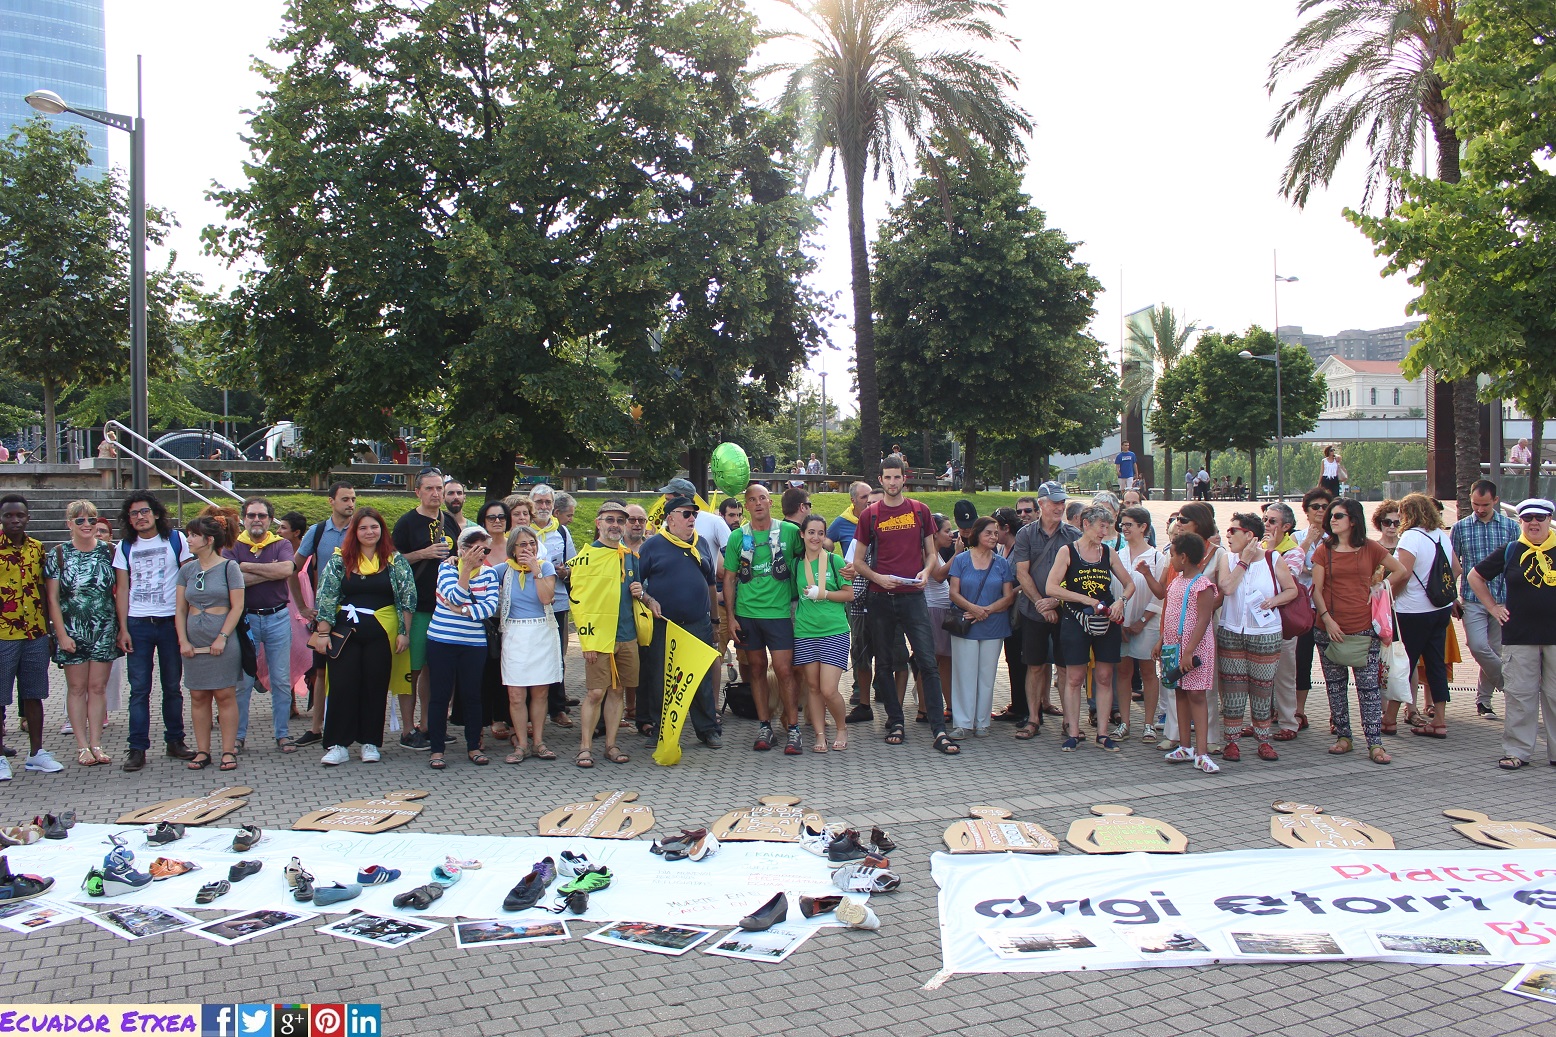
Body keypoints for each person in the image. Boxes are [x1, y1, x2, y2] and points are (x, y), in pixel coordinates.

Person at [852, 458, 955, 754]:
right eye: (888, 477)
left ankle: (939, 729)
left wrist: (926, 571)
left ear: (904, 479)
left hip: (913, 597)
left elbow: (931, 553)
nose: (893, 482)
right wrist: (878, 578)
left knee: (927, 661)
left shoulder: (920, 510)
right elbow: (858, 561)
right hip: (880, 597)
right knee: (884, 664)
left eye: (897, 477)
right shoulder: (870, 515)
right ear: (880, 480)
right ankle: (895, 722)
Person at [307, 507, 416, 765]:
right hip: (345, 634)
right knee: (343, 685)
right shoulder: (340, 560)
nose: (369, 532)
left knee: (375, 686)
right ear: (354, 532)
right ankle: (338, 744)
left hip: (382, 633)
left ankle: (370, 742)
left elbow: (407, 598)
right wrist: (323, 633)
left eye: (374, 527)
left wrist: (404, 633)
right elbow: (326, 596)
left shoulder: (395, 561)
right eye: (363, 528)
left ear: (382, 530)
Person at [1311, 497, 1405, 763]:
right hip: (1329, 629)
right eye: (1331, 516)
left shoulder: (1370, 547)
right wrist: (1327, 619)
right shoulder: (1324, 550)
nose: (1332, 519)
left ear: (1352, 520)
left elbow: (1400, 570)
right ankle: (1344, 737)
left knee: (1368, 688)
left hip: (1364, 627)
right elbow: (1316, 590)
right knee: (1335, 687)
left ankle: (1375, 743)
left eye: (1338, 515)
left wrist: (1380, 587)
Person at [1467, 497, 1556, 770]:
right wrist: (1493, 607)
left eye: (1539, 518)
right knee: (1519, 696)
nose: (1533, 523)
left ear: (1549, 520)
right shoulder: (1511, 550)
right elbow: (1474, 576)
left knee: (1555, 695)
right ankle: (1517, 751)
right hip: (1519, 636)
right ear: (1520, 521)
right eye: (1527, 518)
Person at [114, 492, 197, 770]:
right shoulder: (125, 546)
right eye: (134, 513)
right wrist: (123, 628)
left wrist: (188, 621)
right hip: (138, 623)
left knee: (172, 686)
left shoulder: (176, 539)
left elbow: (188, 579)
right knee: (139, 689)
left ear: (156, 513)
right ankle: (137, 748)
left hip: (170, 622)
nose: (140, 517)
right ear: (128, 519)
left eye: (144, 511)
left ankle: (175, 741)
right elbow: (122, 589)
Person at [1046, 504, 1135, 753]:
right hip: (1075, 619)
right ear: (1086, 524)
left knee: (1104, 676)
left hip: (1105, 620)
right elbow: (1051, 587)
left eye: (1107, 527)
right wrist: (1085, 600)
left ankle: (1103, 733)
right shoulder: (1067, 551)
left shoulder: (1108, 552)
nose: (1104, 532)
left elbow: (1129, 584)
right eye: (1101, 526)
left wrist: (1120, 602)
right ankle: (1073, 732)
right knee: (1074, 677)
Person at [724, 483, 803, 753]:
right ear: (746, 506)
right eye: (752, 500)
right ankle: (764, 726)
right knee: (756, 669)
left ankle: (793, 728)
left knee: (784, 670)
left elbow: (812, 552)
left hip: (779, 613)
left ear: (771, 502)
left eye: (762, 498)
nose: (758, 503)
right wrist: (731, 617)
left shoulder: (789, 531)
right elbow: (730, 578)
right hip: (747, 613)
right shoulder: (738, 537)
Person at [638, 494, 722, 748]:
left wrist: (715, 621)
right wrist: (648, 599)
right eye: (686, 514)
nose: (692, 518)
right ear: (670, 518)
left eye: (694, 514)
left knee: (700, 678)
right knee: (660, 678)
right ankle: (660, 730)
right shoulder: (653, 546)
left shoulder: (701, 543)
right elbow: (636, 585)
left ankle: (707, 729)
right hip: (664, 624)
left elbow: (710, 584)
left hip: (698, 623)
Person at [1213, 512, 1297, 762]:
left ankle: (1263, 740)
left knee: (1262, 689)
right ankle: (1232, 741)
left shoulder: (1273, 558)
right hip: (1232, 632)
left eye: (1233, 531)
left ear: (1249, 535)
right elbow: (1227, 588)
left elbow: (1291, 590)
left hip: (1265, 633)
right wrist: (1244, 561)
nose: (1228, 535)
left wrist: (1274, 601)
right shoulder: (1228, 558)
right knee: (1233, 690)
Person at [45, 500, 121, 766]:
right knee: (77, 688)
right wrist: (61, 634)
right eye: (80, 520)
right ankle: (82, 746)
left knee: (98, 688)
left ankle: (97, 743)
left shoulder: (110, 551)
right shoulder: (58, 554)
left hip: (104, 628)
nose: (87, 525)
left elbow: (120, 591)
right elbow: (53, 599)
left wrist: (121, 629)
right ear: (69, 524)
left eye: (91, 519)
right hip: (72, 629)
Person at [222, 497, 297, 754]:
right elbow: (232, 579)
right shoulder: (233, 545)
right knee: (243, 681)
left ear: (270, 520)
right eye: (251, 515)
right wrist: (269, 571)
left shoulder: (281, 544)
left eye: (262, 516)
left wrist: (245, 567)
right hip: (246, 620)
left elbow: (286, 570)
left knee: (281, 680)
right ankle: (238, 736)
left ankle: (282, 734)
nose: (256, 520)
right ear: (243, 519)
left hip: (278, 618)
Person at [391, 469, 459, 749]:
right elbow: (391, 561)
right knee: (413, 669)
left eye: (439, 488)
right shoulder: (407, 523)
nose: (435, 494)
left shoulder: (449, 521)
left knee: (435, 669)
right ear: (417, 491)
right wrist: (423, 554)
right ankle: (408, 730)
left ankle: (429, 725)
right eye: (429, 489)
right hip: (417, 607)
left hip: (444, 608)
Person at [568, 500, 639, 768]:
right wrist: (587, 641)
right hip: (598, 637)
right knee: (596, 692)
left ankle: (611, 745)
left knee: (617, 691)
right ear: (598, 523)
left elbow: (636, 591)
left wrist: (641, 591)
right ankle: (585, 748)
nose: (615, 525)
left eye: (620, 521)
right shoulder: (585, 557)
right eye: (610, 519)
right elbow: (578, 603)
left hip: (626, 634)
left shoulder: (630, 556)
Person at [425, 525, 501, 769]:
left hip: (473, 644)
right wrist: (465, 570)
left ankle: (474, 746)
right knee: (439, 696)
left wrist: (464, 611)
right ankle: (437, 749)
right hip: (441, 640)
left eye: (486, 550)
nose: (482, 555)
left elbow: (490, 608)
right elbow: (453, 597)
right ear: (462, 549)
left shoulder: (489, 574)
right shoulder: (446, 568)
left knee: (472, 696)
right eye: (477, 549)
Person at [174, 516, 246, 772]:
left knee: (225, 695)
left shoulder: (229, 568)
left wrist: (222, 637)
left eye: (193, 535)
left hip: (223, 641)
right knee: (198, 695)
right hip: (194, 643)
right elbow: (180, 609)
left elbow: (237, 606)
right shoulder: (187, 570)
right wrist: (183, 640)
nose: (188, 539)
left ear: (209, 539)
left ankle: (228, 750)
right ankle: (202, 750)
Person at [289, 482, 356, 748]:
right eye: (345, 499)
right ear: (331, 501)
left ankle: (348, 726)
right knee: (320, 671)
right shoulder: (317, 532)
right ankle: (316, 727)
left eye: (353, 499)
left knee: (351, 671)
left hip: (354, 612)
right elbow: (293, 569)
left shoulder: (360, 529)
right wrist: (303, 607)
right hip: (325, 613)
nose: (350, 504)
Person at [1011, 481, 1079, 736]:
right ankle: (1033, 718)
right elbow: (1022, 573)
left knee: (1065, 667)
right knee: (1035, 665)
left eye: (1062, 502)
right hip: (1033, 611)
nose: (1060, 507)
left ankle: (1069, 721)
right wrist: (1041, 603)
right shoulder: (1025, 534)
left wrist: (1056, 601)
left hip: (1066, 612)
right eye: (1055, 502)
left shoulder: (1074, 535)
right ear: (1041, 504)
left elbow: (1077, 576)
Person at [1391, 492, 1458, 740]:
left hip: (1413, 610)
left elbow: (1403, 573)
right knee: (1436, 664)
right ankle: (1439, 720)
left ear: (1407, 514)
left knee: (1403, 665)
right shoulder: (1441, 535)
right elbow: (1456, 568)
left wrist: (1388, 595)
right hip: (1440, 609)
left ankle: (1389, 718)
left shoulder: (1410, 537)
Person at [0, 494, 58, 777]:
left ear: (28, 518)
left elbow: (42, 589)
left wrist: (49, 629)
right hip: (3, 633)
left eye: (20, 515)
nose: (15, 520)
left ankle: (36, 753)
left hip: (35, 632)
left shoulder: (37, 548)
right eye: (9, 516)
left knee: (34, 694)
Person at [946, 517, 1016, 740]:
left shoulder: (1001, 563)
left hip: (993, 625)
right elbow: (953, 592)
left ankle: (982, 721)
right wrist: (973, 608)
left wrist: (986, 610)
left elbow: (1008, 597)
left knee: (987, 675)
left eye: (996, 533)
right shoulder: (962, 560)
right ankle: (962, 723)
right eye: (989, 533)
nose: (994, 537)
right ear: (977, 534)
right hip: (966, 623)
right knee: (964, 674)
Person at [1452, 480, 1517, 719]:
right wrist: (1451, 597)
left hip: (1503, 599)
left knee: (1496, 651)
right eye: (1475, 504)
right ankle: (1512, 687)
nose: (1479, 509)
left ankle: (1484, 701)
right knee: (1478, 646)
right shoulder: (1460, 528)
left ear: (1495, 501)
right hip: (1472, 599)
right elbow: (1452, 565)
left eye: (1485, 505)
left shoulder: (1511, 527)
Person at [499, 525, 561, 763]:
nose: (528, 548)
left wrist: (536, 570)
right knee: (516, 694)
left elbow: (546, 598)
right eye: (523, 544)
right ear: (513, 549)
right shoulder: (504, 570)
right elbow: (476, 572)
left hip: (541, 632)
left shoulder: (545, 567)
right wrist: (456, 560)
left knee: (540, 692)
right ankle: (521, 744)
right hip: (515, 633)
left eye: (532, 543)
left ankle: (539, 742)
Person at [1160, 532, 1220, 773]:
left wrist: (1189, 651)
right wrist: (1161, 641)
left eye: (1173, 555)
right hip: (1174, 648)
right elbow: (1169, 614)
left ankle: (1202, 752)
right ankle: (1185, 746)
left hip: (1195, 650)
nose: (1171, 560)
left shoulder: (1202, 585)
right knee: (1180, 692)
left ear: (1184, 557)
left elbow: (1204, 619)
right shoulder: (1176, 582)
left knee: (1196, 694)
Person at [792, 513, 851, 752]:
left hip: (834, 631)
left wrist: (824, 593)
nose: (815, 537)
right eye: (811, 532)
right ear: (802, 535)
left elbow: (849, 594)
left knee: (828, 689)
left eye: (820, 533)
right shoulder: (796, 564)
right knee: (813, 688)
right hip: (805, 632)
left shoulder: (835, 561)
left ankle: (841, 728)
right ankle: (819, 734)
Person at [527, 484, 576, 730]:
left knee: (556, 655)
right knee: (528, 655)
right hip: (528, 605)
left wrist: (565, 572)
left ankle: (557, 708)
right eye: (539, 502)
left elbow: (574, 566)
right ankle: (527, 710)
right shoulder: (523, 531)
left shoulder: (562, 532)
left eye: (548, 502)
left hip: (557, 602)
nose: (544, 507)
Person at [1116, 506, 1166, 743]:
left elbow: (1161, 594)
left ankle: (1149, 724)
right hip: (1121, 623)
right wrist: (1119, 622)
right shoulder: (1118, 554)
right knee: (1123, 671)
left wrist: (1142, 621)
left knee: (1147, 671)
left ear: (1143, 527)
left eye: (1129, 525)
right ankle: (1124, 723)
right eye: (1122, 524)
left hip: (1148, 624)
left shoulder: (1157, 557)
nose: (1124, 529)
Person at [1262, 501, 1305, 742]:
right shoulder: (1256, 546)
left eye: (1272, 521)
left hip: (1283, 622)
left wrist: (1269, 552)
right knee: (1259, 676)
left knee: (1285, 675)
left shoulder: (1294, 551)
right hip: (1259, 622)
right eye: (1265, 520)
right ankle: (1261, 721)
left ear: (1286, 526)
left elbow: (1282, 583)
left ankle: (1289, 721)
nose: (1266, 525)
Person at [472, 500, 514, 740]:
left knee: (507, 669)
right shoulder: (477, 548)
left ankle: (503, 716)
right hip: (483, 618)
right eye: (491, 517)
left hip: (511, 617)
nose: (497, 521)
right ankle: (482, 720)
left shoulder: (514, 546)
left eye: (501, 517)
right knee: (485, 670)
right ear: (483, 521)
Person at [1292, 487, 1333, 730]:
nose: (1320, 511)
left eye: (1324, 507)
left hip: (1328, 608)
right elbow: (1291, 568)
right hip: (1303, 608)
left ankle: (1336, 713)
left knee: (1333, 662)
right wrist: (1308, 541)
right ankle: (1299, 710)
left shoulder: (1335, 539)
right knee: (1302, 660)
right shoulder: (1297, 537)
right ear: (1306, 511)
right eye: (1315, 507)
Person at [921, 513, 957, 732]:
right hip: (932, 609)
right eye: (947, 531)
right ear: (934, 533)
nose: (951, 535)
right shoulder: (928, 552)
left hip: (942, 610)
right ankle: (924, 708)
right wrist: (958, 554)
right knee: (930, 660)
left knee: (945, 661)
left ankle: (950, 706)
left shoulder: (937, 552)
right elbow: (939, 576)